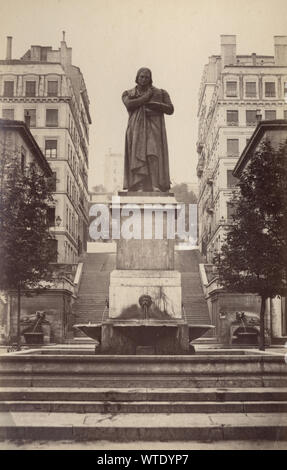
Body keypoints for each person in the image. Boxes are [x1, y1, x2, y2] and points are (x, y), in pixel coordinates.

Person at [122, 68, 174, 192]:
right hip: (136, 130)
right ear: (137, 77)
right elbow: (129, 104)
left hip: (153, 127)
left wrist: (156, 106)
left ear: (150, 78)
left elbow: (170, 109)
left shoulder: (161, 93)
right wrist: (147, 97)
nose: (144, 79)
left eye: (146, 77)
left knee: (152, 154)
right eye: (141, 77)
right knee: (137, 155)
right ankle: (138, 185)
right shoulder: (128, 93)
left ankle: (155, 185)